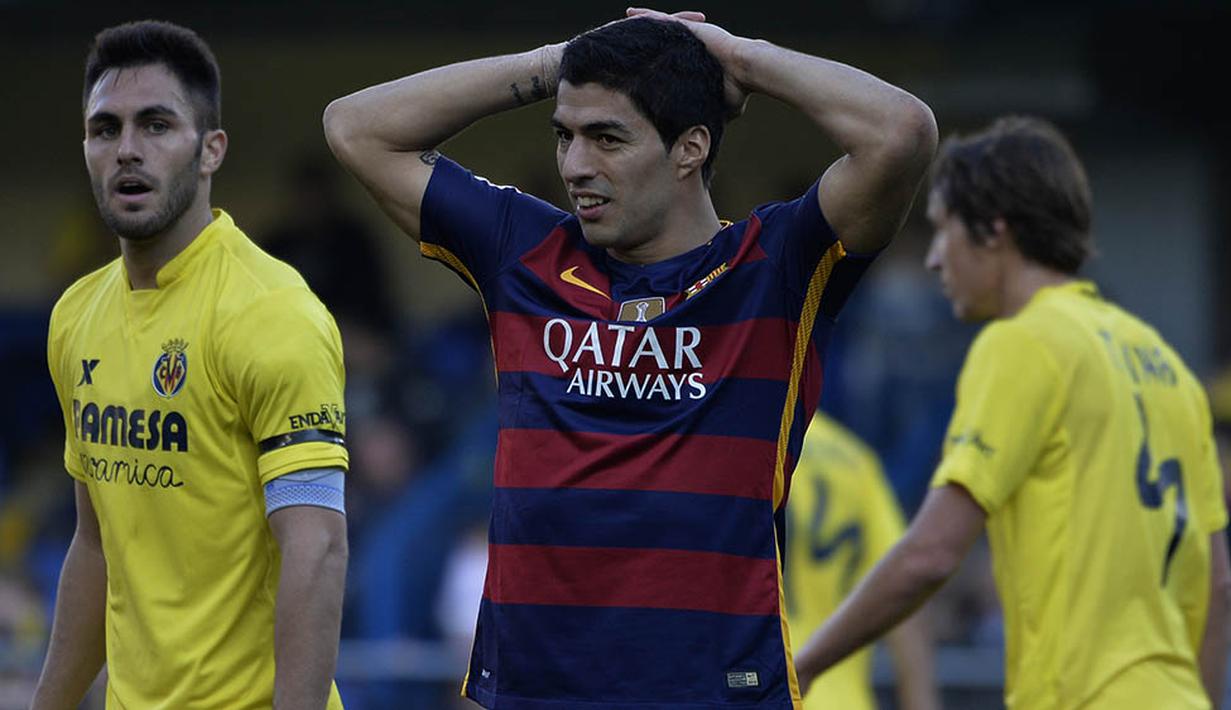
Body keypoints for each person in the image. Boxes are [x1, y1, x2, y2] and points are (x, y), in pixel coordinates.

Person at [325, 8, 936, 707]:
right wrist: (566, 58)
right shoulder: (522, 252)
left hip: (712, 693)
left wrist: (736, 58)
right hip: (537, 692)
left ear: (690, 148)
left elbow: (901, 132)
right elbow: (355, 126)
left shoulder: (772, 267)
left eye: (607, 138)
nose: (576, 167)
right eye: (565, 136)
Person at [794, 116, 1231, 709]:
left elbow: (931, 553)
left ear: (993, 232)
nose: (934, 260)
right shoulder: (1167, 366)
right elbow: (1218, 584)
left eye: (944, 231)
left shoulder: (1023, 343)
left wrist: (808, 662)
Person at [32, 21, 349, 710]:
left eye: (155, 125)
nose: (126, 151)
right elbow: (94, 548)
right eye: (104, 129)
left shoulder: (271, 313)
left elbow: (317, 549)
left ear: (211, 151)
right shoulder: (75, 318)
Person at [785, 412, 940, 710]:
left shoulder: (733, 449)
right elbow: (905, 587)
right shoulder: (855, 459)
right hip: (846, 698)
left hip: (767, 693)